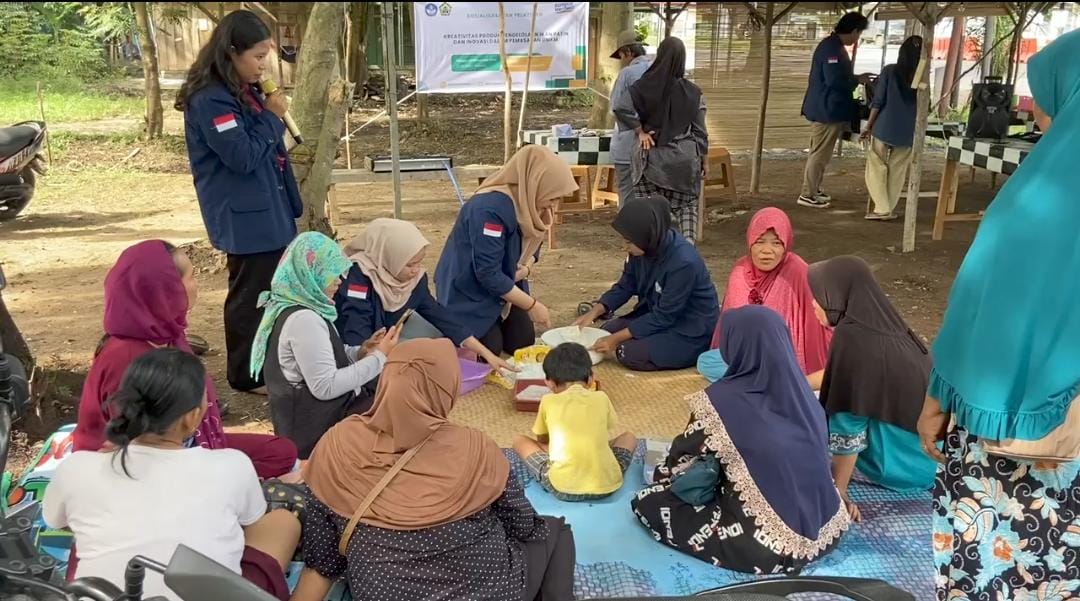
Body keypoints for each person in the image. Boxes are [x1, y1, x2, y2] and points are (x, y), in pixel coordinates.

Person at [917, 31, 1080, 601]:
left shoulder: (1032, 207)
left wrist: (937, 399)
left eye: (1044, 95)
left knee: (997, 570)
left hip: (1015, 444)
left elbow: (978, 311)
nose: (1033, 109)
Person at [290, 338, 576, 601]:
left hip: (382, 592)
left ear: (385, 379)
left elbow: (324, 558)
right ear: (447, 388)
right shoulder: (476, 447)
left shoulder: (335, 445)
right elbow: (524, 525)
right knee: (555, 531)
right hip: (490, 590)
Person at [45, 349, 300, 601]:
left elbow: (57, 520)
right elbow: (251, 522)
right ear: (191, 418)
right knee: (283, 523)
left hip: (102, 593)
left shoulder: (76, 467)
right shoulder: (232, 465)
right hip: (207, 589)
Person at [632, 306, 849, 573]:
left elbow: (679, 464)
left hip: (765, 548)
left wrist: (662, 477)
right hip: (827, 530)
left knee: (651, 503)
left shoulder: (720, 401)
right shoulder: (804, 394)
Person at [72, 240, 297, 480]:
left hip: (187, 440)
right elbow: (140, 449)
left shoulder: (168, 334)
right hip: (145, 461)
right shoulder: (125, 358)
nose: (195, 285)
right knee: (256, 468)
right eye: (191, 277)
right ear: (164, 289)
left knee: (280, 452)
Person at [175, 10, 301, 394]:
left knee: (271, 291)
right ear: (231, 52)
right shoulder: (210, 100)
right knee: (250, 296)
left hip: (270, 206)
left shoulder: (241, 91)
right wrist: (274, 118)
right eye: (257, 56)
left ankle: (267, 363)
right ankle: (245, 374)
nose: (264, 64)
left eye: (267, 55)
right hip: (245, 216)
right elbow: (242, 156)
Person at [807, 256, 937, 521]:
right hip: (930, 460)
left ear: (837, 296)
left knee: (816, 417)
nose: (813, 303)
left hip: (902, 467)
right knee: (816, 397)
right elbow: (840, 378)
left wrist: (837, 493)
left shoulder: (853, 340)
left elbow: (848, 426)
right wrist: (796, 383)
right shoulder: (883, 326)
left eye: (819, 296)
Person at [252, 232, 399, 459]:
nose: (340, 281)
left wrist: (360, 352)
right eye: (332, 273)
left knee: (391, 395)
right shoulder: (304, 321)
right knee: (397, 406)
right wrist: (379, 358)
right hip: (314, 431)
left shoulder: (296, 306)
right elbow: (325, 387)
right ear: (311, 273)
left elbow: (323, 359)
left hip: (316, 417)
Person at [435, 145, 578, 357]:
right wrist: (532, 305)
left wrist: (526, 269)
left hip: (506, 284)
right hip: (468, 289)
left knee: (522, 343)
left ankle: (496, 319)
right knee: (487, 351)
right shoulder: (489, 209)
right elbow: (487, 272)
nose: (554, 205)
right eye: (553, 196)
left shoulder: (533, 202)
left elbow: (533, 246)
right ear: (536, 182)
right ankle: (465, 326)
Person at [334, 218, 512, 372]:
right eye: (410, 265)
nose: (416, 270)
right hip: (356, 341)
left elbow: (439, 315)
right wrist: (371, 362)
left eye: (419, 262)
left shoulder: (414, 279)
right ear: (391, 257)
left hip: (389, 328)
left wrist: (486, 353)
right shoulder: (359, 276)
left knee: (438, 338)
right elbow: (356, 326)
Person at [575, 196, 719, 371]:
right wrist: (595, 311)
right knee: (607, 331)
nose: (624, 247)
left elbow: (665, 315)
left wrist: (616, 340)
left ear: (647, 235)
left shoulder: (683, 262)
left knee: (627, 352)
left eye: (628, 242)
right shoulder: (643, 250)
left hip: (688, 326)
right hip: (656, 312)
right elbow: (625, 285)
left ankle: (689, 351)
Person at [698, 207, 831, 381]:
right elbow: (730, 329)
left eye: (776, 243)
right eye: (760, 242)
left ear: (786, 245)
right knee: (706, 362)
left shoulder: (797, 271)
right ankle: (760, 378)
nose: (766, 251)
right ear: (750, 243)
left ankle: (762, 378)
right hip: (746, 354)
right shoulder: (740, 270)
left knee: (786, 371)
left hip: (782, 355)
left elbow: (812, 328)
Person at [513, 343, 637, 502]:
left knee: (519, 441)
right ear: (591, 379)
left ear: (549, 382)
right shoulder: (601, 397)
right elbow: (606, 430)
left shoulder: (548, 401)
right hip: (608, 485)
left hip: (562, 487)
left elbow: (543, 441)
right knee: (629, 437)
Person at [616, 36, 708, 243]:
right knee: (686, 211)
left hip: (648, 160)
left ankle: (652, 260)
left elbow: (620, 107)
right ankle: (686, 255)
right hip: (682, 164)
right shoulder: (693, 93)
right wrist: (704, 159)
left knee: (650, 218)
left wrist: (640, 131)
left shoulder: (641, 87)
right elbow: (700, 131)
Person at [799, 12, 871, 209]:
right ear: (854, 30)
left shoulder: (833, 46)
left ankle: (814, 188)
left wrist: (856, 78)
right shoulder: (832, 49)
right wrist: (857, 80)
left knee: (822, 152)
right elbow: (834, 80)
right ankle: (808, 193)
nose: (857, 39)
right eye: (859, 34)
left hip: (828, 108)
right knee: (820, 153)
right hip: (826, 109)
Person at [861, 36, 922, 220]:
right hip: (908, 131)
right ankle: (888, 208)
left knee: (875, 165)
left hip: (884, 127)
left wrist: (868, 126)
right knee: (898, 170)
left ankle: (882, 207)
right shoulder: (921, 77)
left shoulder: (889, 71)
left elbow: (878, 102)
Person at [608, 30, 653, 206]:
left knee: (627, 195)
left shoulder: (627, 73)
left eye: (621, 55)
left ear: (628, 52)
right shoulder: (657, 70)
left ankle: (629, 230)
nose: (621, 61)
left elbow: (616, 107)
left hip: (628, 144)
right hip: (654, 144)